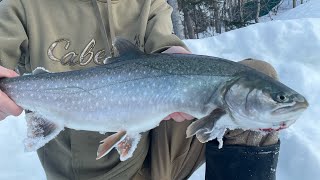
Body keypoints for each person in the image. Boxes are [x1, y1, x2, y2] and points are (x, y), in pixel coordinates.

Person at [0, 0, 280, 179]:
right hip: (87, 174)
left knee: (259, 81)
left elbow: (164, 46)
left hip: (153, 153)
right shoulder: (23, 7)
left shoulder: (148, 2)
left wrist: (178, 60)